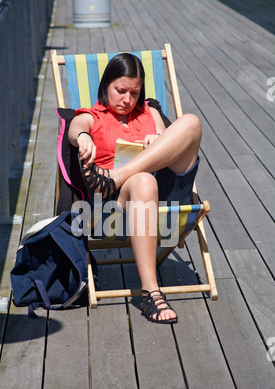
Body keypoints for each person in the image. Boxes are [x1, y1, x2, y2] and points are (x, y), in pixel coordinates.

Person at [68, 53, 201, 324]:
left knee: (191, 122)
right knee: (143, 180)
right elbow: (75, 127)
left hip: (165, 198)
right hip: (116, 204)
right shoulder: (93, 117)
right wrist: (83, 138)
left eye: (134, 92)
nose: (127, 99)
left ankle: (117, 176)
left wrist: (159, 138)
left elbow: (175, 141)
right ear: (106, 85)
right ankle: (151, 292)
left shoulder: (149, 112)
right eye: (120, 91)